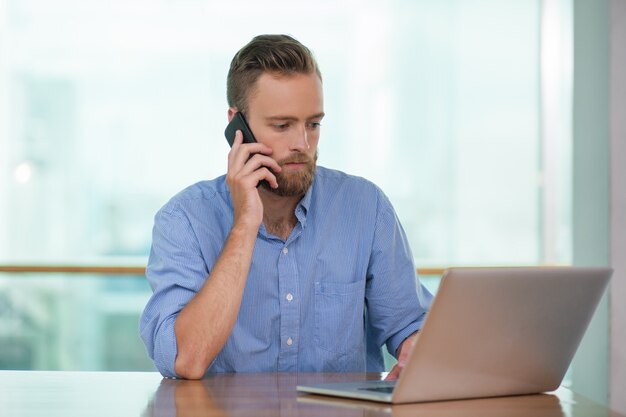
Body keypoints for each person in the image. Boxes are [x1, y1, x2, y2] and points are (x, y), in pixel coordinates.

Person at [140, 34, 433, 380]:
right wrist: (245, 223)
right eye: (282, 126)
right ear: (238, 126)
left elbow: (409, 326)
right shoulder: (184, 221)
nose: (302, 144)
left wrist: (416, 351)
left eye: (313, 124)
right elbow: (185, 360)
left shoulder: (366, 208)